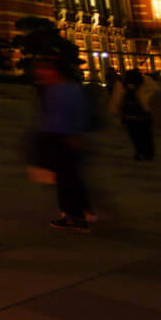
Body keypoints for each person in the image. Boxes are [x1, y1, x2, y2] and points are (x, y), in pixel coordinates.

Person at [31, 57, 92, 231]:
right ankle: (79, 213)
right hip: (59, 138)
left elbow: (75, 114)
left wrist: (73, 136)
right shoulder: (56, 88)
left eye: (46, 68)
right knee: (68, 178)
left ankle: (75, 216)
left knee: (67, 180)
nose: (41, 72)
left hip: (65, 139)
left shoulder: (65, 89)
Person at [110, 68, 157, 161]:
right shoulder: (146, 81)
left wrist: (115, 111)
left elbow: (116, 99)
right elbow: (154, 94)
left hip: (129, 116)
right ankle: (147, 153)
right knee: (145, 134)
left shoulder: (121, 84)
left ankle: (140, 152)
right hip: (143, 114)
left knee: (135, 135)